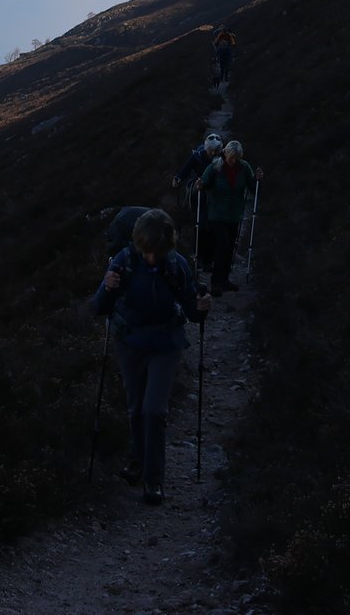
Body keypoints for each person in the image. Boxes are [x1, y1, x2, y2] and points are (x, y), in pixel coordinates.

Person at [90, 208, 209, 505]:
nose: (152, 258)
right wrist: (107, 287)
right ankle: (137, 461)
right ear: (138, 244)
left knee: (154, 410)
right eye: (148, 252)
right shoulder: (125, 261)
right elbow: (97, 307)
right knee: (136, 408)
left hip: (165, 344)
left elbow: (193, 313)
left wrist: (202, 305)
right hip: (130, 343)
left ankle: (153, 480)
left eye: (158, 252)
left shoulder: (176, 265)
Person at [196, 140, 258, 293]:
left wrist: (257, 180)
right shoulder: (215, 167)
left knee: (230, 248)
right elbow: (204, 182)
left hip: (234, 216)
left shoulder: (244, 168)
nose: (234, 161)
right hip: (216, 215)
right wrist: (200, 185)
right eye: (231, 157)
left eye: (237, 157)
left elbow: (253, 188)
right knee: (223, 245)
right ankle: (216, 282)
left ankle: (224, 280)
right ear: (225, 154)